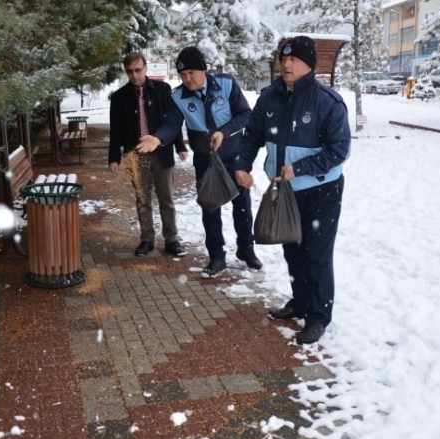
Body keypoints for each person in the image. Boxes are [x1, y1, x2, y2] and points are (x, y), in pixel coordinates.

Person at [235, 36, 351, 344]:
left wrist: (299, 169)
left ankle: (318, 316)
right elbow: (251, 137)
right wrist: (242, 165)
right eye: (283, 59)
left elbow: (339, 150)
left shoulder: (327, 101)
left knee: (317, 256)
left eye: (294, 59)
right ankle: (300, 302)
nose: (286, 64)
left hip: (320, 191)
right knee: (293, 251)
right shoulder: (270, 97)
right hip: (284, 191)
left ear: (308, 65)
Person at [136, 46, 262, 277]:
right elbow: (172, 124)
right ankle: (217, 257)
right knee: (210, 208)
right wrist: (158, 137)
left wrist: (223, 132)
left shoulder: (226, 84)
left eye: (192, 73)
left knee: (242, 206)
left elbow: (246, 115)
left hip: (234, 157)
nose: (187, 79)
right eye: (183, 75)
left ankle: (246, 248)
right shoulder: (178, 96)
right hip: (205, 161)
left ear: (203, 70)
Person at [108, 52, 189, 257]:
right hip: (135, 155)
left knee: (166, 198)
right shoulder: (119, 98)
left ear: (146, 68)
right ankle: (147, 239)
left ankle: (172, 239)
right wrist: (113, 158)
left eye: (138, 70)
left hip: (161, 152)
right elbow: (115, 130)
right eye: (130, 72)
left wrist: (179, 146)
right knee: (142, 198)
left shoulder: (162, 90)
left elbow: (172, 121)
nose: (134, 75)